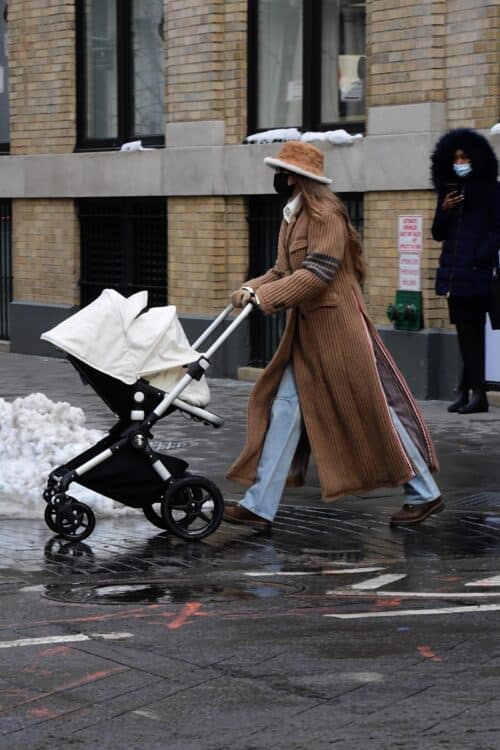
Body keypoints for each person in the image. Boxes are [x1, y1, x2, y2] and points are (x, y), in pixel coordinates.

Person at [224, 140, 442, 529]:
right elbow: (281, 271)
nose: (279, 178)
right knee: (285, 410)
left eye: (284, 172)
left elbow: (316, 275)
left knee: (374, 408)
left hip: (339, 334)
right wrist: (251, 287)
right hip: (308, 336)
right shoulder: (293, 216)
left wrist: (265, 298)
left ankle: (425, 493)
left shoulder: (325, 216)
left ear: (299, 178)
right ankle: (259, 505)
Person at [431, 128, 500, 414]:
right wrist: (444, 210)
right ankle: (464, 391)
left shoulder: (491, 191)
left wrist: (478, 258)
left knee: (473, 335)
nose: (460, 162)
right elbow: (437, 233)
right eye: (456, 157)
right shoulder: (448, 193)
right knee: (463, 333)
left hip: (477, 274)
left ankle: (479, 395)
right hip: (453, 275)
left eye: (465, 157)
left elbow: (498, 230)